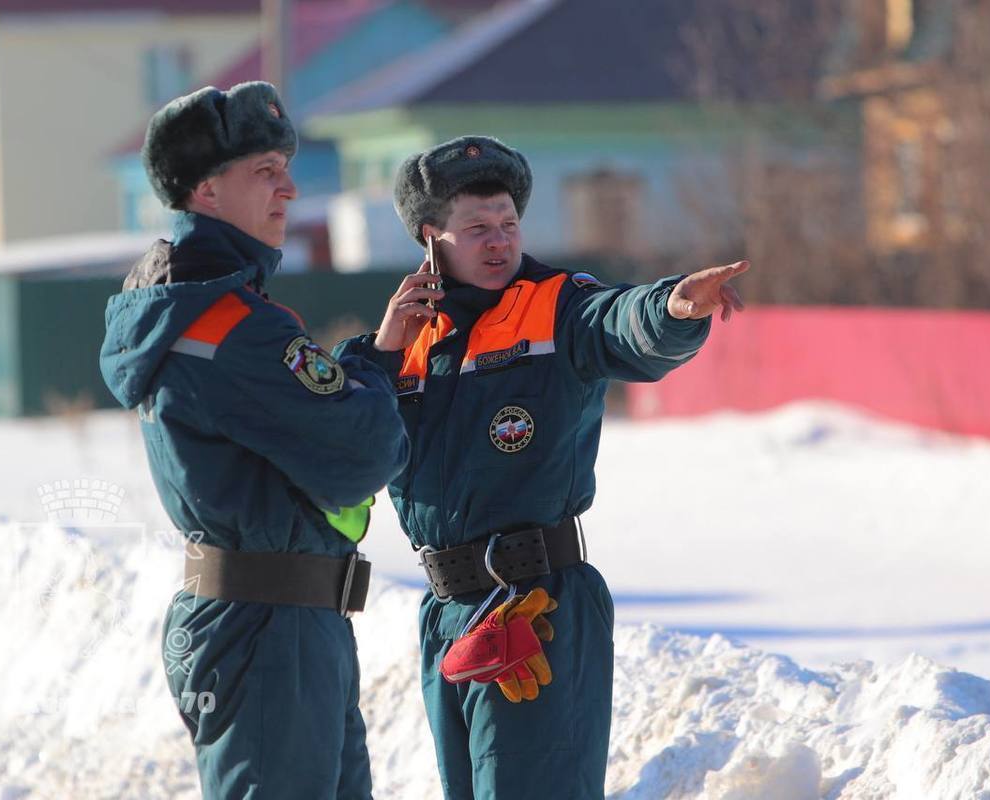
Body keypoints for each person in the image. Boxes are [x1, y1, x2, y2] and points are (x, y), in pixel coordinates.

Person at [335, 135, 748, 799]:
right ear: (430, 238)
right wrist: (384, 352)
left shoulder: (555, 306)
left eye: (508, 224)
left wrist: (673, 308)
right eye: (476, 228)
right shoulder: (400, 342)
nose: (499, 242)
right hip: (448, 612)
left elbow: (619, 321)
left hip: (536, 602)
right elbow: (342, 441)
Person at [99, 81, 408, 800]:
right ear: (207, 191)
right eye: (266, 172)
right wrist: (374, 384)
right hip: (274, 631)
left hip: (266, 617)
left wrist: (369, 364)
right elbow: (363, 454)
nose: (291, 191)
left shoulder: (183, 307)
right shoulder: (233, 325)